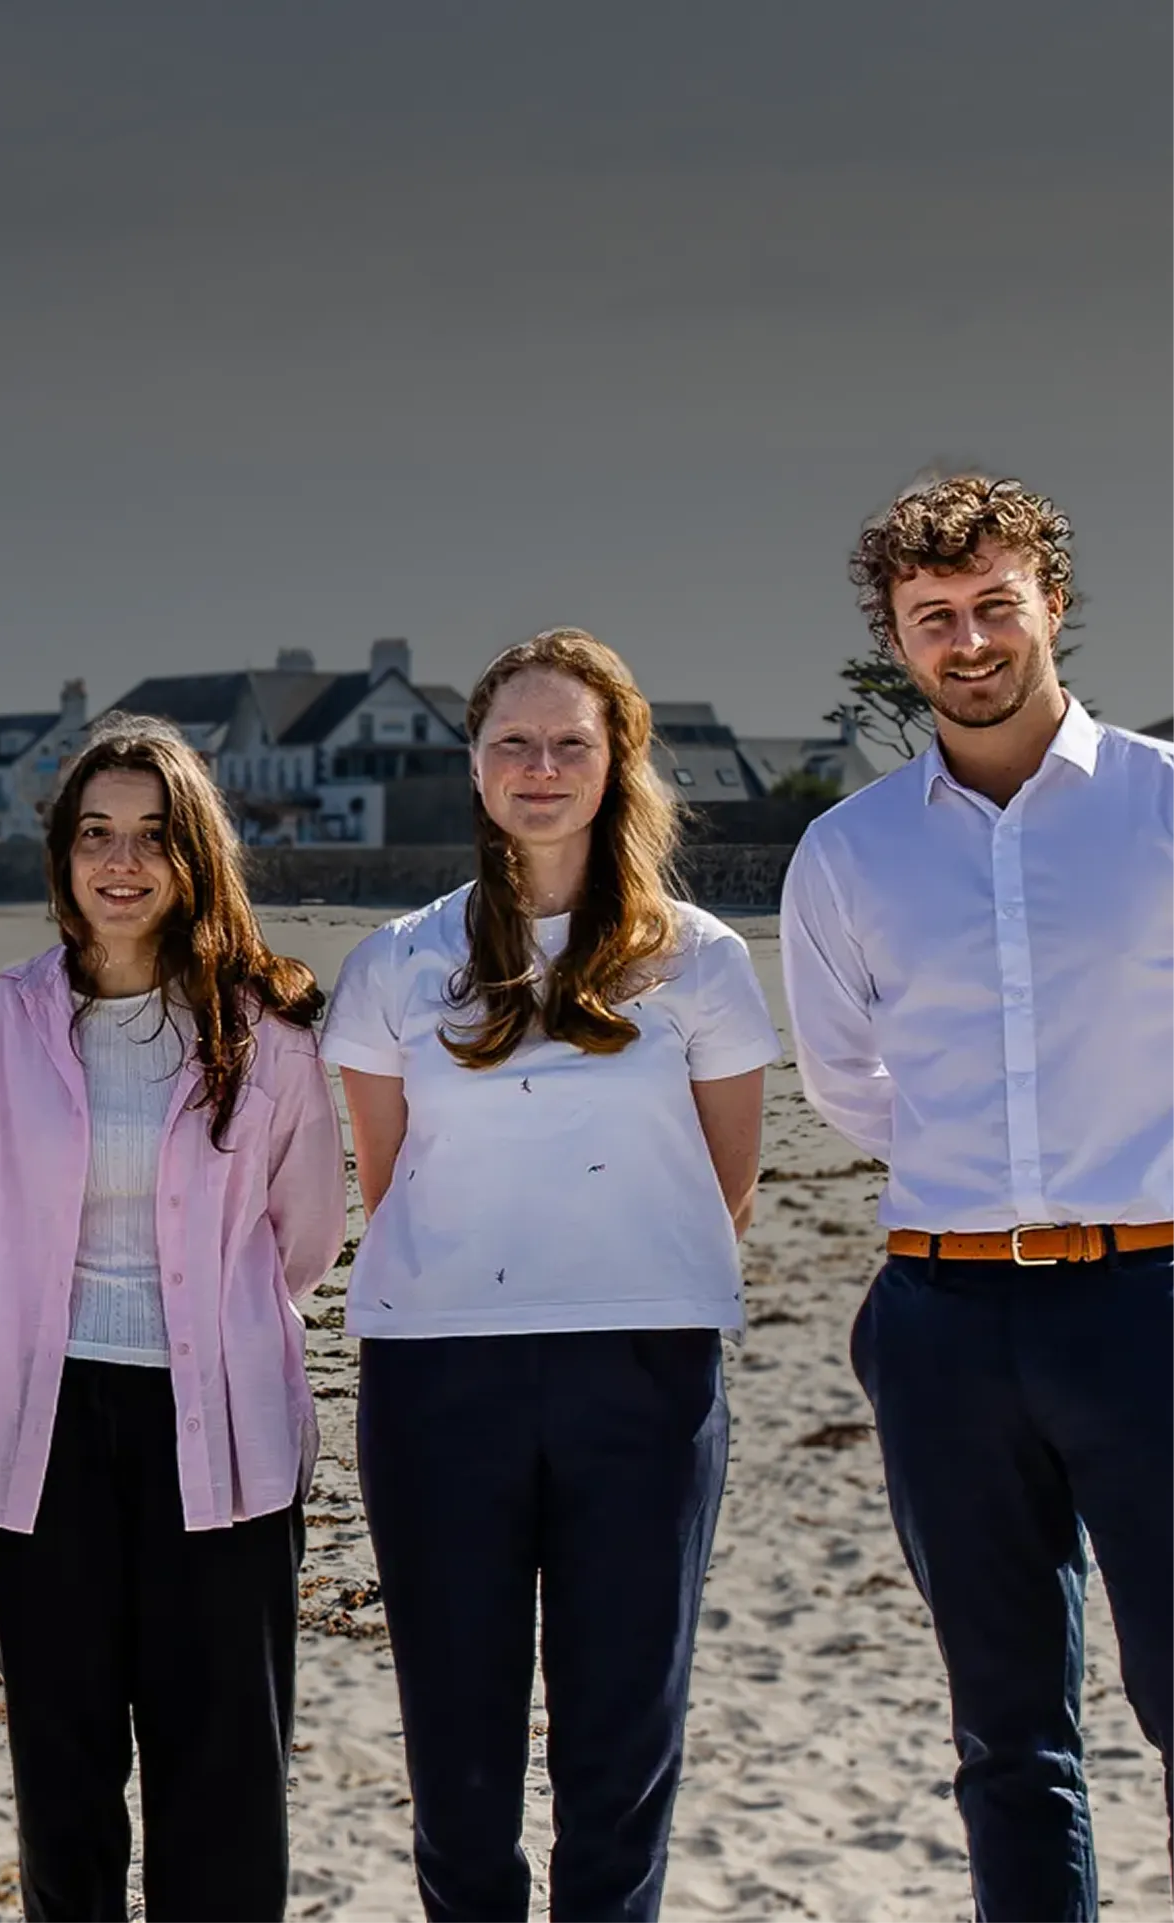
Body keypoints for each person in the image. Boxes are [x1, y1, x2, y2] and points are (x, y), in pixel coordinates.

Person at [323, 630, 778, 1923]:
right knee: (458, 1749)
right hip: (437, 1376)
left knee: (623, 1738)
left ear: (616, 760)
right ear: (474, 767)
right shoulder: (398, 962)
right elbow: (387, 1170)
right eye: (514, 742)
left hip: (645, 1373)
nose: (541, 766)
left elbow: (724, 1180)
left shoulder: (701, 959)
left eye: (571, 740)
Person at [782, 472, 1174, 1918]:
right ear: (899, 638)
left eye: (993, 605)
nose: (967, 640)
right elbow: (845, 1081)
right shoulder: (852, 851)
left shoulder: (1162, 804)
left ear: (1050, 604)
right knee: (1007, 1732)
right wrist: (988, 1184)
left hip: (1153, 1305)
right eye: (932, 616)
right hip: (946, 1319)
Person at [0, 716, 348, 1922]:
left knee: (222, 1771)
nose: (120, 862)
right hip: (41, 1434)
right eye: (94, 835)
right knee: (62, 1772)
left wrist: (212, 1338)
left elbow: (305, 1233)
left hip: (220, 1428)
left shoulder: (266, 1034)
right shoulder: (1, 1022)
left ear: (195, 856)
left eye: (152, 837)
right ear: (62, 858)